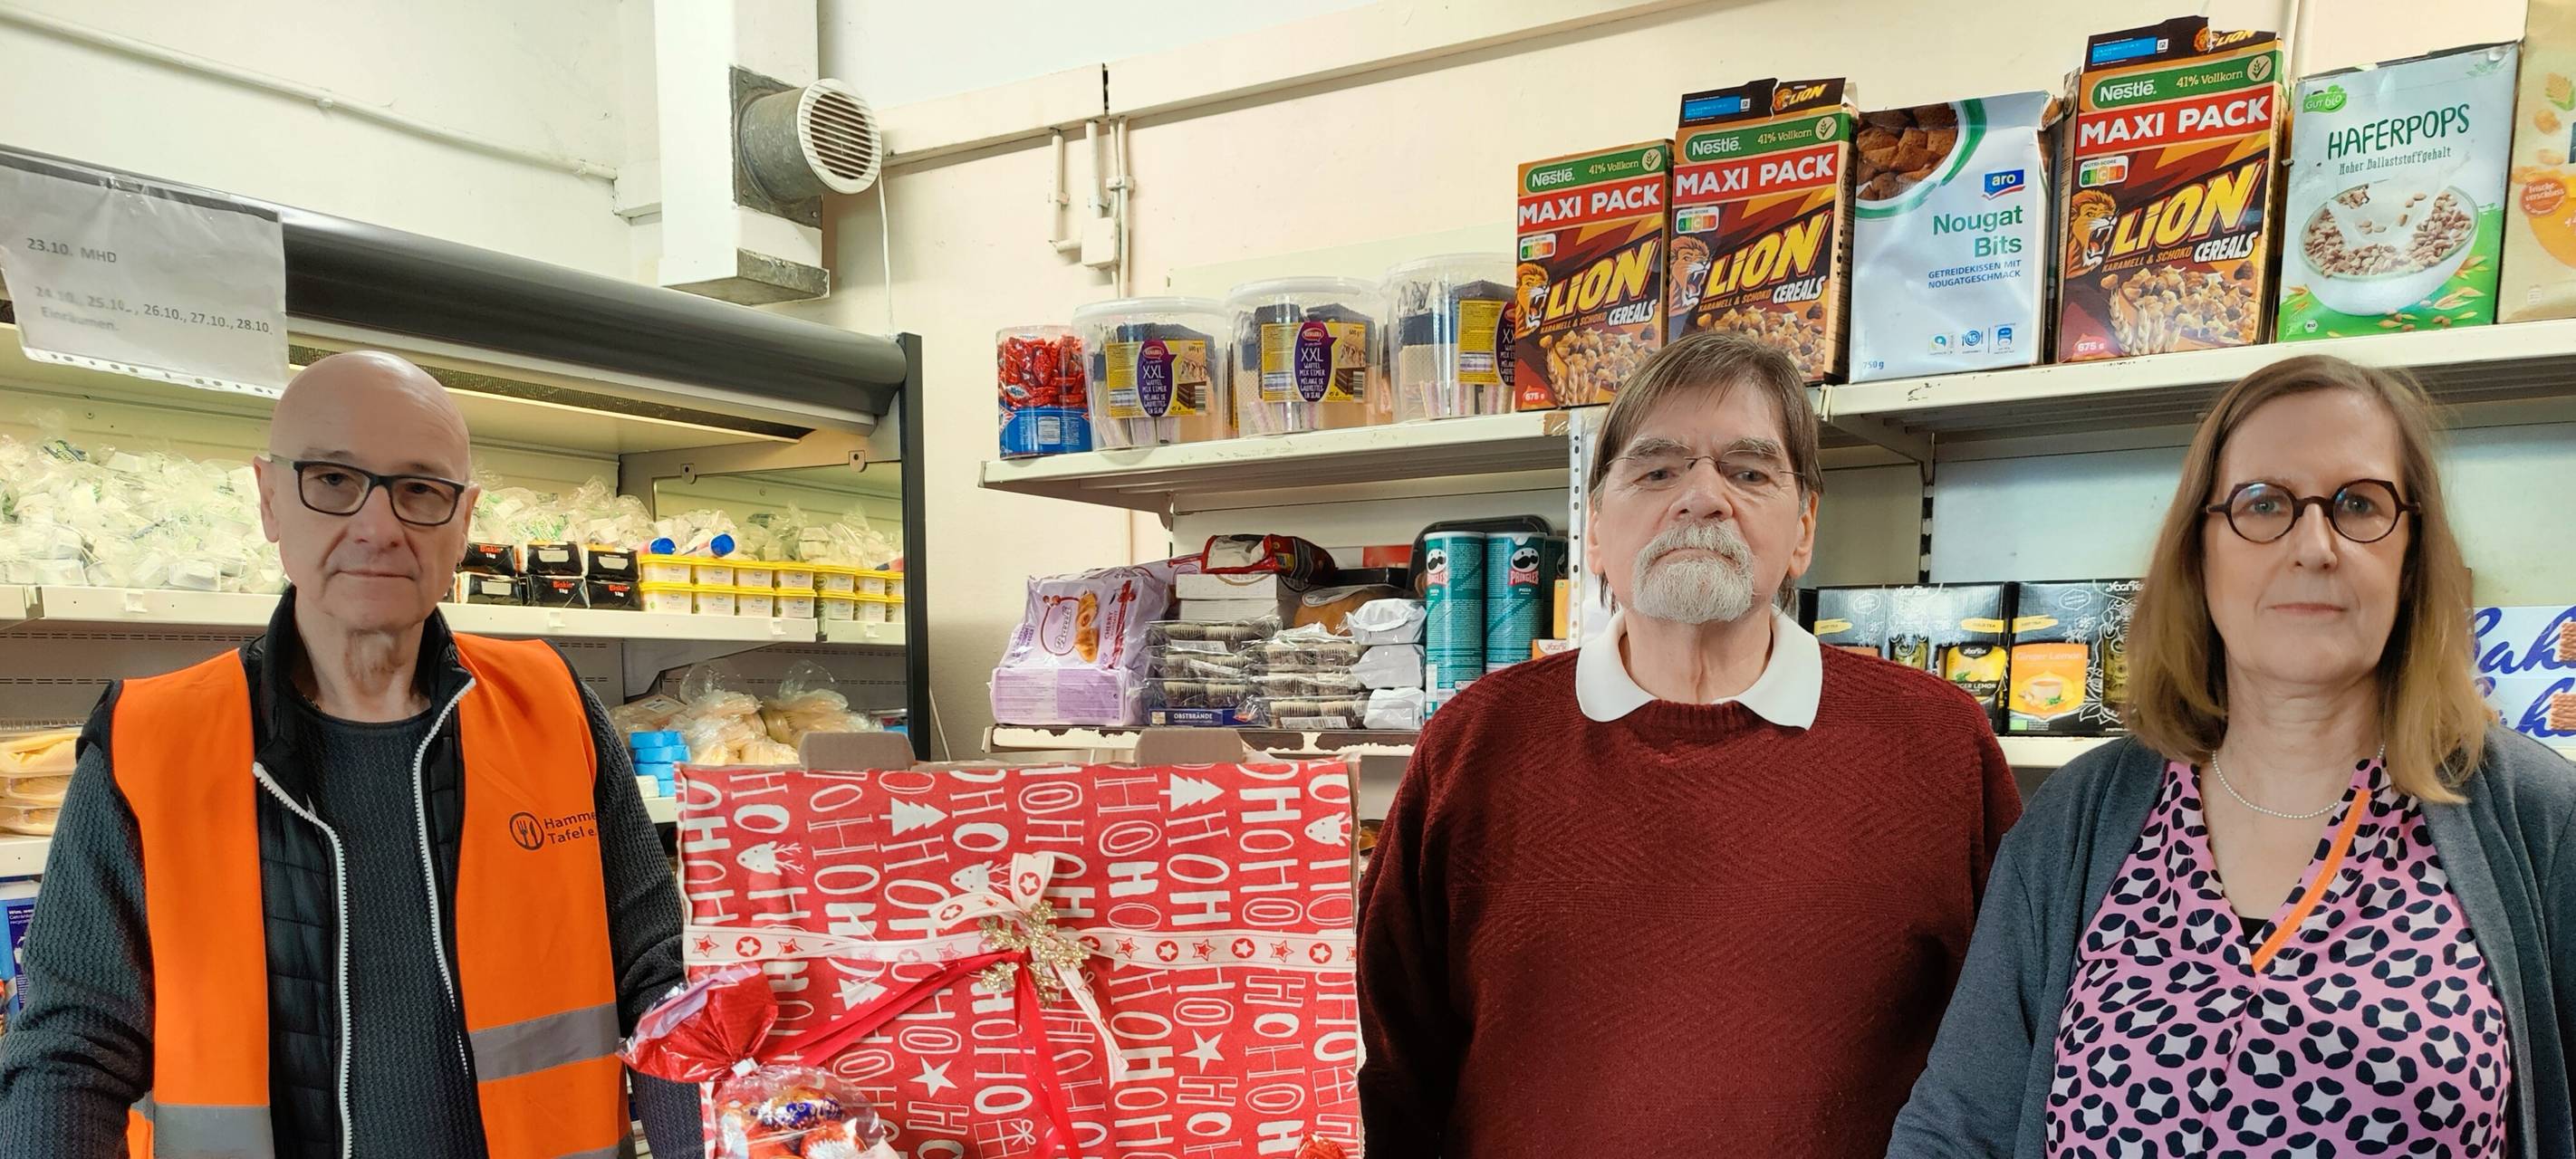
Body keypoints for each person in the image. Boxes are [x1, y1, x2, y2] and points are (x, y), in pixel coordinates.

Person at [0, 351, 703, 1158]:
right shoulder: (146, 746)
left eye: (420, 489)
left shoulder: (552, 707)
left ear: (464, 517)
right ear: (269, 498)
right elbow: (69, 1058)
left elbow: (662, 985)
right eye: (333, 480)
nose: (378, 526)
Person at [1890, 354, 2576, 1159]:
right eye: (2263, 504)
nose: (2315, 545)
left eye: (2360, 504)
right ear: (2199, 551)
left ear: (2412, 552)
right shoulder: (2076, 822)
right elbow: (1955, 1129)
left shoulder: (2536, 818)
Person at [1358, 332, 2021, 1157]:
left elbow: (2003, 1060)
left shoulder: (1937, 745)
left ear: (1804, 527)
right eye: (1658, 469)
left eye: (1748, 472)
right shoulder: (1473, 747)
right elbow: (1398, 1070)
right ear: (1595, 528)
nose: (1703, 499)